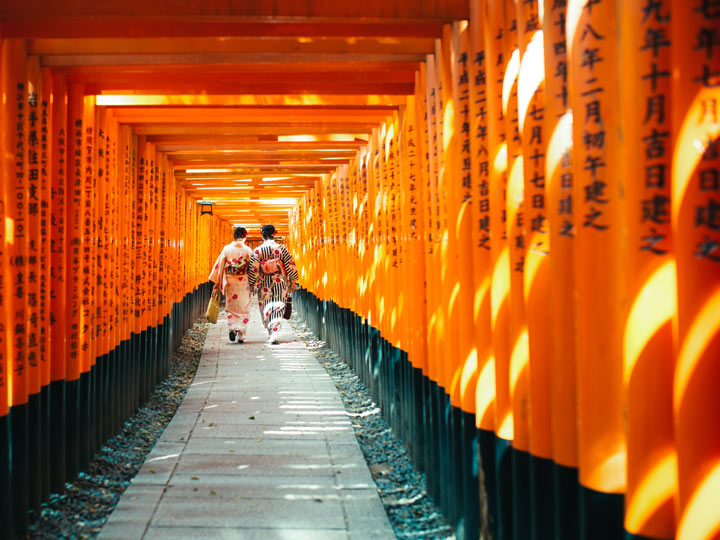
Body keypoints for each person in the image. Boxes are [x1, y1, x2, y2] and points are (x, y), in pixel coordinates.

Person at [248, 224, 299, 344]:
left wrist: (252, 283)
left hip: (264, 283)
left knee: (266, 306)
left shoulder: (258, 250)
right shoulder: (281, 248)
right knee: (278, 306)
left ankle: (271, 332)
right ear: (274, 234)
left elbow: (254, 269)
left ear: (263, 235)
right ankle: (275, 332)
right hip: (279, 282)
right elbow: (290, 265)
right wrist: (293, 278)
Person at [208, 226, 253, 343]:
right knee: (244, 306)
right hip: (243, 281)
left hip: (230, 280)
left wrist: (217, 282)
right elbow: (253, 268)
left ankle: (233, 328)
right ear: (245, 236)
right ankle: (241, 333)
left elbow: (220, 266)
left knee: (231, 306)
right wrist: (254, 283)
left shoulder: (227, 249)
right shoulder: (248, 250)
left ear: (234, 236)